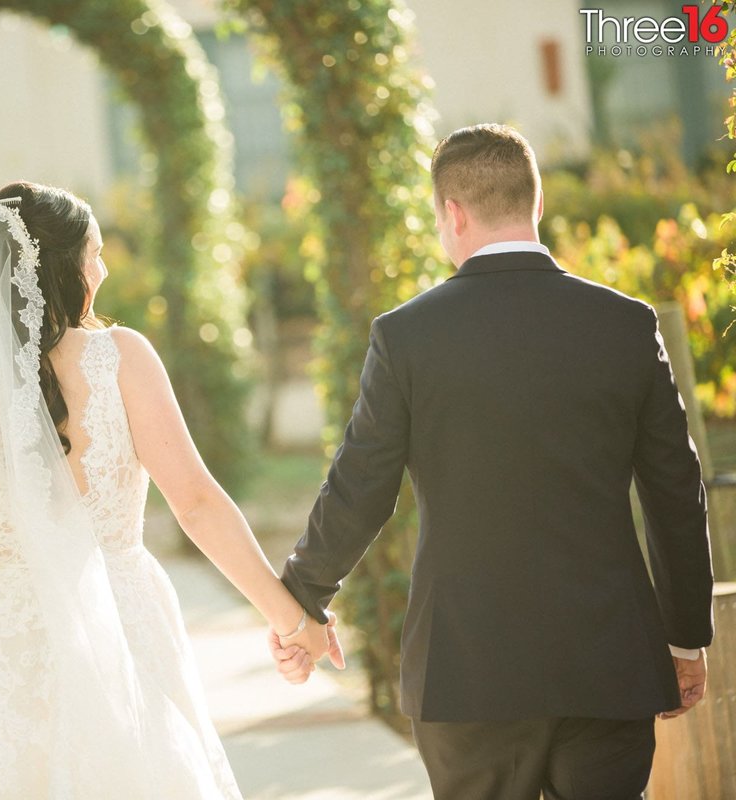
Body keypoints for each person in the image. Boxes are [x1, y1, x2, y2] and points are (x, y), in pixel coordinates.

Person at [270, 123, 714, 800]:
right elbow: (676, 490)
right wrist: (685, 638)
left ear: (452, 213)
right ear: (536, 206)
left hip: (466, 671)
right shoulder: (625, 325)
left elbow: (362, 488)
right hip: (608, 664)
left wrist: (302, 597)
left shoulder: (407, 336)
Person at [0, 180, 335, 799]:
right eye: (94, 254)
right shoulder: (122, 358)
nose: (101, 269)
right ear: (63, 269)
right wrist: (292, 619)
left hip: (5, 634)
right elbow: (198, 503)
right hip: (121, 612)